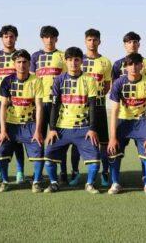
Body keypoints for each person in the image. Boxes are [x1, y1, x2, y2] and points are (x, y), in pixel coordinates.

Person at [43, 47, 100, 194]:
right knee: (49, 155)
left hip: (84, 128)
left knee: (94, 158)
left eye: (76, 59)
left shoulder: (89, 80)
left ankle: (89, 184)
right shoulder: (59, 80)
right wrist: (52, 129)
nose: (73, 63)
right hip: (62, 128)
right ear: (65, 61)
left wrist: (92, 128)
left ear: (81, 61)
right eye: (69, 60)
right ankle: (54, 183)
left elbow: (93, 106)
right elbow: (54, 106)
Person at [107, 53, 146, 196]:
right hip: (123, 121)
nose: (134, 67)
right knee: (113, 150)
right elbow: (114, 112)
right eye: (130, 64)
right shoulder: (119, 83)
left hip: (142, 121)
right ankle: (115, 182)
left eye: (137, 64)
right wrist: (112, 137)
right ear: (126, 67)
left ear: (142, 65)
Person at [0, 50, 45, 193]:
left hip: (30, 124)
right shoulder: (7, 81)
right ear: (14, 64)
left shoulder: (36, 80)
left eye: (24, 62)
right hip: (11, 125)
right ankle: (5, 181)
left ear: (29, 63)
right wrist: (3, 130)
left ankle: (36, 182)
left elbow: (39, 106)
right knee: (2, 151)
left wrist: (37, 130)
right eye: (19, 62)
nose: (22, 65)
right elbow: (3, 107)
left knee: (38, 149)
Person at [69, 29, 112, 187]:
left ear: (99, 41)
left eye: (95, 40)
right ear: (85, 41)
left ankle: (105, 172)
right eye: (89, 40)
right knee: (76, 142)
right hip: (79, 107)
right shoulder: (78, 60)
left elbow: (107, 86)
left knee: (103, 142)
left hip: (99, 106)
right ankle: (75, 171)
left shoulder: (105, 62)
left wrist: (95, 97)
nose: (92, 43)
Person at [0, 25, 25, 184]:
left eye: (11, 36)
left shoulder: (20, 56)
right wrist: (4, 95)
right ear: (2, 38)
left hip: (18, 104)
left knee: (17, 139)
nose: (9, 39)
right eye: (5, 36)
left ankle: (20, 172)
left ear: (16, 38)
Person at [30, 26, 68, 183]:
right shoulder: (35, 56)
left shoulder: (62, 56)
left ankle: (63, 172)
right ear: (42, 39)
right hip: (39, 103)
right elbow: (31, 80)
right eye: (46, 37)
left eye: (52, 37)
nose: (49, 40)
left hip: (57, 103)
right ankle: (38, 174)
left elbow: (67, 78)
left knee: (59, 138)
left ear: (56, 39)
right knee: (39, 137)